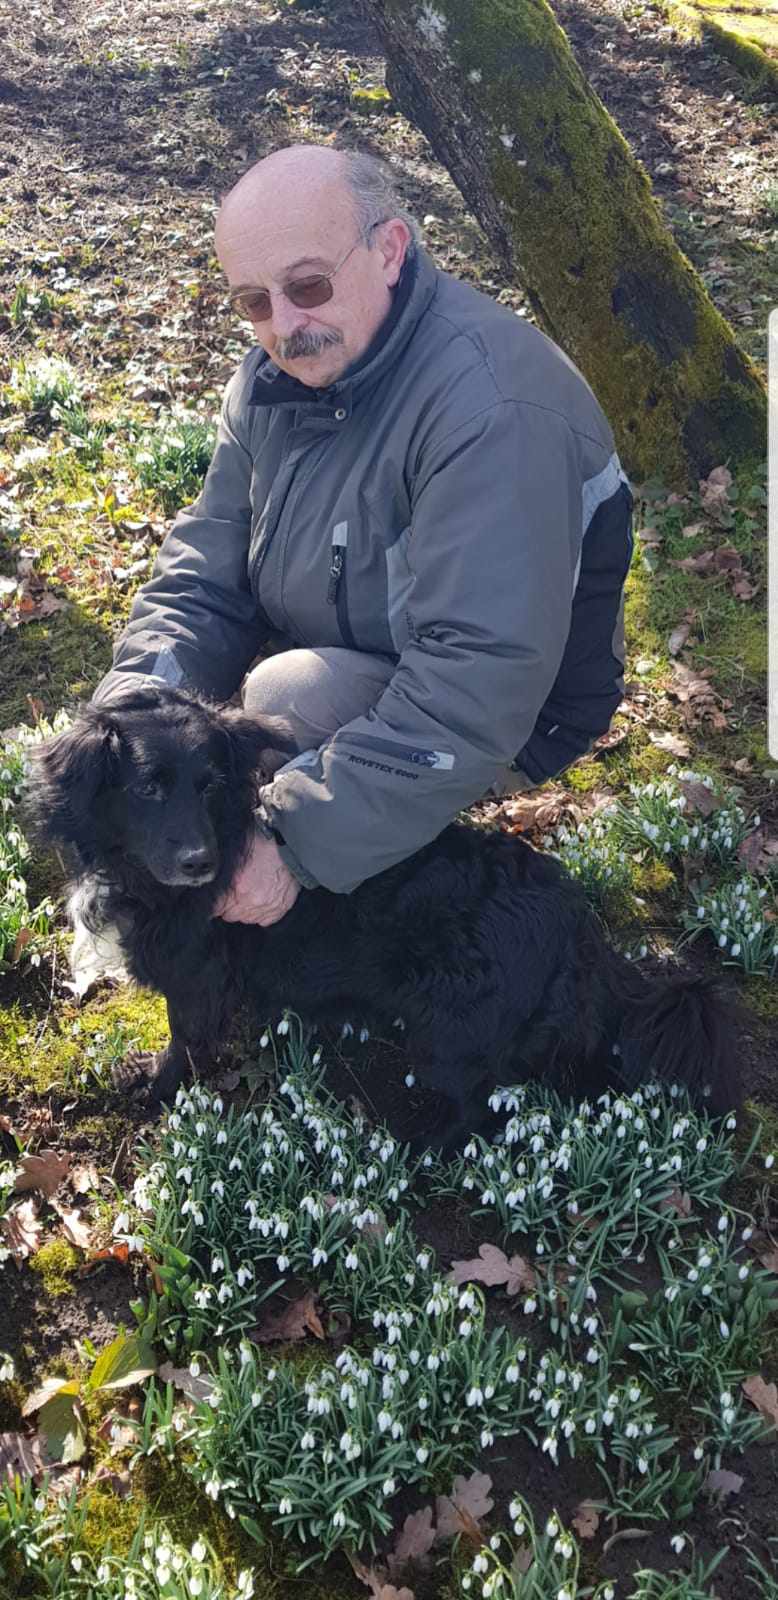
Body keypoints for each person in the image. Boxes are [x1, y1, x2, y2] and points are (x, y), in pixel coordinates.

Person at [94, 142, 634, 928]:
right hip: (359, 635)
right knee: (225, 709)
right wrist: (133, 713)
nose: (284, 325)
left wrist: (293, 840)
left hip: (521, 710)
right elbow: (204, 572)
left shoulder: (491, 409)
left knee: (283, 699)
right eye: (253, 302)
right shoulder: (274, 380)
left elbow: (479, 681)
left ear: (389, 250)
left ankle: (342, 902)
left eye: (308, 285)